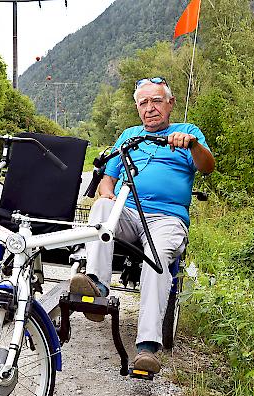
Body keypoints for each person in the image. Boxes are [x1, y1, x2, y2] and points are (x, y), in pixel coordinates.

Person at [69, 77, 215, 373]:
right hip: (128, 212)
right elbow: (108, 177)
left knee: (159, 259)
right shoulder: (129, 135)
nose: (150, 108)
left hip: (167, 218)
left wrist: (193, 145)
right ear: (137, 108)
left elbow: (207, 166)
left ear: (170, 103)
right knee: (102, 207)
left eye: (156, 101)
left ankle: (147, 347)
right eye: (143, 103)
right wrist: (107, 192)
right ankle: (96, 284)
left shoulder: (187, 132)